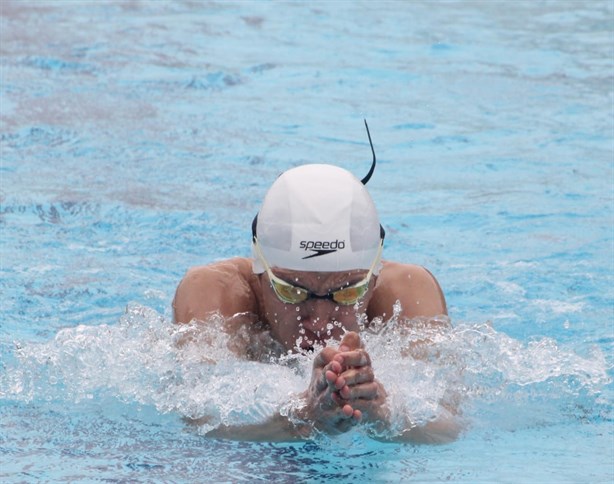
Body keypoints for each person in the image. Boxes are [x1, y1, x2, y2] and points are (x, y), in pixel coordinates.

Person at [173, 123, 459, 443]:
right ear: (259, 272)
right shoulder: (217, 293)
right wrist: (304, 416)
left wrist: (382, 414)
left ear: (374, 276)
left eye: (348, 292)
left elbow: (446, 427)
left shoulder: (407, 291)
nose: (319, 320)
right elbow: (202, 423)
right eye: (292, 291)